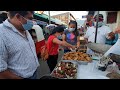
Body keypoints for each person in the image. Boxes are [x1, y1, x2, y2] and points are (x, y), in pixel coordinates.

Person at [0, 11, 40, 79]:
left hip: (34, 72)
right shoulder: (2, 34)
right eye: (30, 18)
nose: (32, 22)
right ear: (18, 17)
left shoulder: (23, 28)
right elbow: (1, 72)